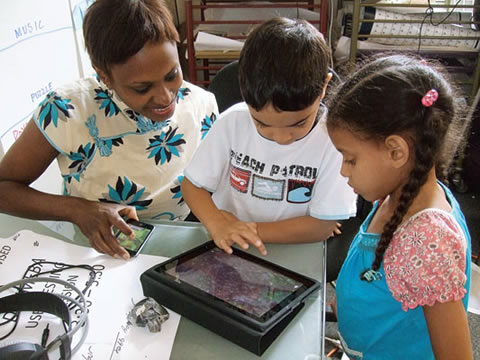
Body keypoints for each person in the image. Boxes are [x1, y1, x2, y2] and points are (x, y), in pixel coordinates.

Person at [0, 0, 218, 260]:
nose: (164, 97)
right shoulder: (67, 111)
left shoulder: (201, 105)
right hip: (93, 252)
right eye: (142, 88)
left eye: (171, 75)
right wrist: (79, 209)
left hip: (175, 250)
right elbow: (4, 188)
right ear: (104, 76)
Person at [326, 54, 473, 359]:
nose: (343, 170)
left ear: (395, 151)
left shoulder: (428, 239)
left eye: (350, 159)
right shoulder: (396, 194)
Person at [181, 17, 357, 256]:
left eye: (298, 123)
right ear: (243, 90)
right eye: (262, 124)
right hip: (226, 243)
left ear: (324, 86)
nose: (282, 138)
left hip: (292, 249)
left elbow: (322, 227)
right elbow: (193, 186)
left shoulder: (334, 140)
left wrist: (241, 229)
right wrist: (217, 222)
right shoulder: (233, 121)